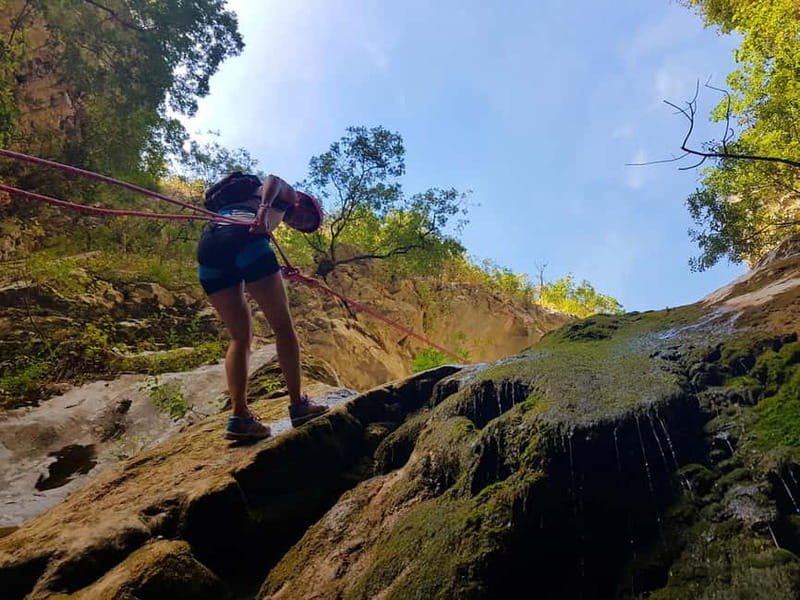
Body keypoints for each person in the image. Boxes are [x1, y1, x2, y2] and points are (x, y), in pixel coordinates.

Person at [197, 173, 328, 440]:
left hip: (210, 246)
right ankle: (299, 405)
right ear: (303, 203)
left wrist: (282, 273)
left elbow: (247, 264)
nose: (300, 223)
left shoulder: (246, 203)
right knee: (283, 327)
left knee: (240, 337)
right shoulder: (286, 196)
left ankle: (240, 417)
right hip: (246, 238)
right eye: (306, 217)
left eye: (304, 226)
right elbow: (274, 179)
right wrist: (266, 208)